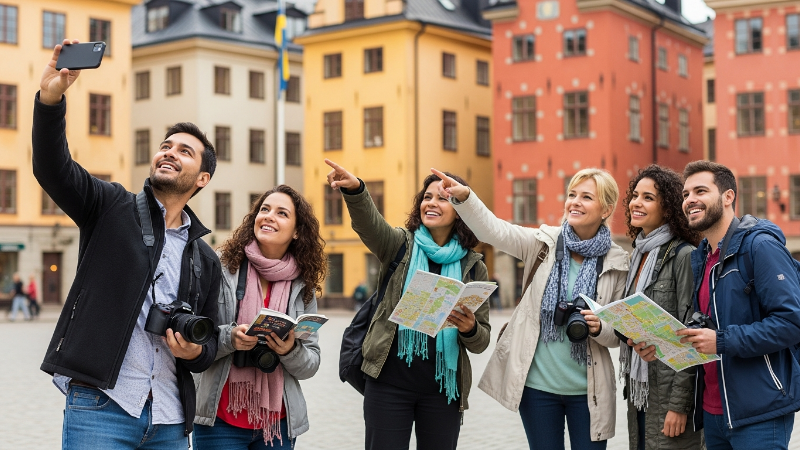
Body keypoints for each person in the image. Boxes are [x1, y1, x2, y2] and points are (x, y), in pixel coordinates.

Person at [34, 40, 222, 449]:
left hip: (170, 418)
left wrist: (194, 351)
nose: (169, 153)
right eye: (165, 146)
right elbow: (54, 168)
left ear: (202, 178)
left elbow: (211, 340)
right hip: (101, 405)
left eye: (184, 151)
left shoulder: (204, 258)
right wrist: (50, 100)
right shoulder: (110, 206)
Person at [433, 167, 629, 450]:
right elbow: (493, 229)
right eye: (572, 194)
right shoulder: (543, 242)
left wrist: (600, 327)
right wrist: (465, 198)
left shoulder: (618, 261)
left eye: (586, 197)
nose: (575, 201)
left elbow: (616, 333)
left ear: (606, 208)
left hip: (590, 391)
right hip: (537, 389)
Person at [325, 159, 491, 450]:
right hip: (388, 385)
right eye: (427, 197)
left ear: (460, 211)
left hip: (443, 389)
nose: (432, 203)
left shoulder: (473, 267)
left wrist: (470, 328)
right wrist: (355, 190)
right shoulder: (400, 245)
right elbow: (370, 225)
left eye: (443, 198)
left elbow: (481, 341)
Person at [677, 161, 800, 450]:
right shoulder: (701, 257)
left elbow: (791, 322)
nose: (690, 200)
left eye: (700, 190)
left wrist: (720, 341)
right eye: (685, 194)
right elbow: (710, 327)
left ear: (728, 196)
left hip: (759, 413)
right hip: (713, 412)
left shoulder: (760, 246)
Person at [193, 185, 325, 449]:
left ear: (298, 231)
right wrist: (231, 338)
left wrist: (289, 350)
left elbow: (310, 364)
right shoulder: (220, 266)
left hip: (278, 424)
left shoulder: (304, 286)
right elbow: (196, 337)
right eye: (264, 209)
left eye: (281, 213)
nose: (268, 216)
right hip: (219, 419)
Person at [618, 165, 702, 450]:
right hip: (641, 392)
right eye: (635, 195)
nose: (636, 203)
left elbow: (693, 335)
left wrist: (679, 406)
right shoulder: (639, 254)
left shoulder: (683, 255)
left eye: (648, 197)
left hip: (668, 398)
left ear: (668, 209)